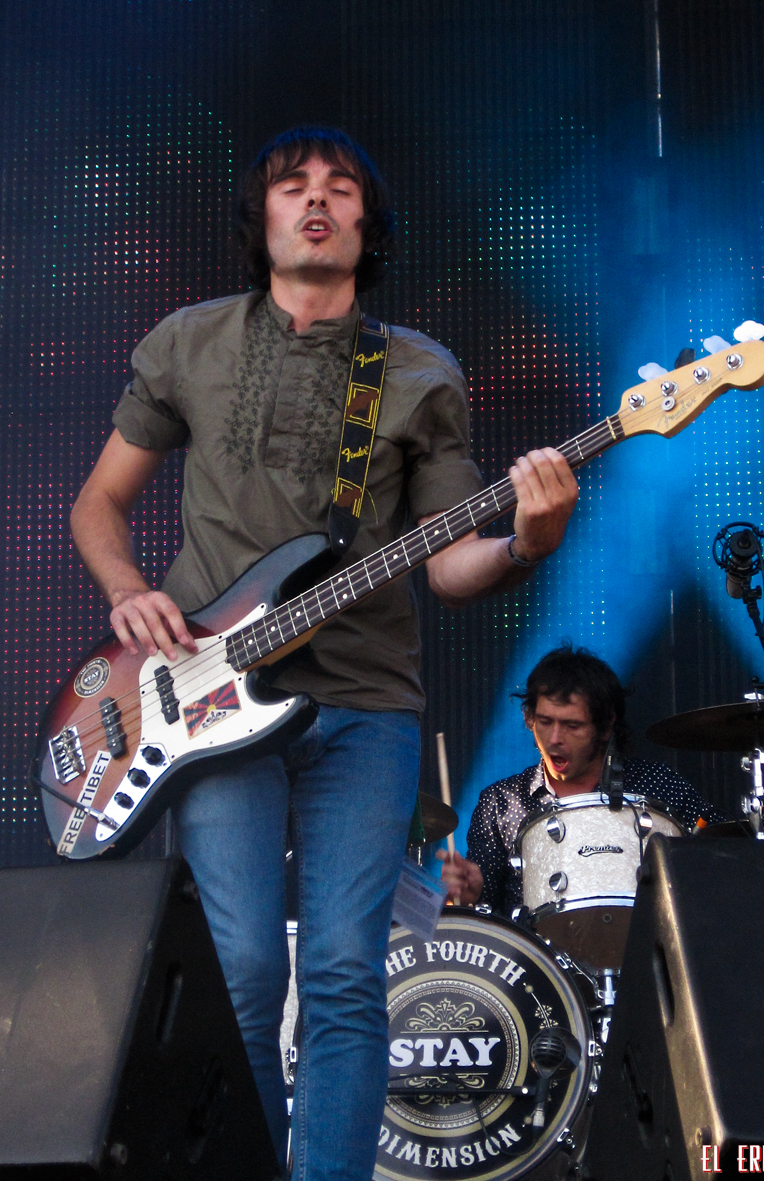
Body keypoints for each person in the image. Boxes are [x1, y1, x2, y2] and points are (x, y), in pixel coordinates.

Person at [68, 126, 579, 1181]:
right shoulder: (189, 343)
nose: (316, 201)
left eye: (341, 189)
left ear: (366, 224)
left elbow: (449, 562)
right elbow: (98, 505)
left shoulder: (417, 371)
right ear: (260, 218)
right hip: (209, 704)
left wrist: (527, 542)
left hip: (366, 703)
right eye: (292, 186)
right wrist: (127, 591)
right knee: (245, 971)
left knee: (346, 970)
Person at [438, 644, 725, 915]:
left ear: (605, 726)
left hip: (643, 944)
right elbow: (480, 917)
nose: (554, 739)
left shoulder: (657, 785)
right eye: (545, 722)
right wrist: (467, 893)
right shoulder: (501, 803)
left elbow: (722, 852)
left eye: (572, 725)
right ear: (529, 718)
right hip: (533, 950)